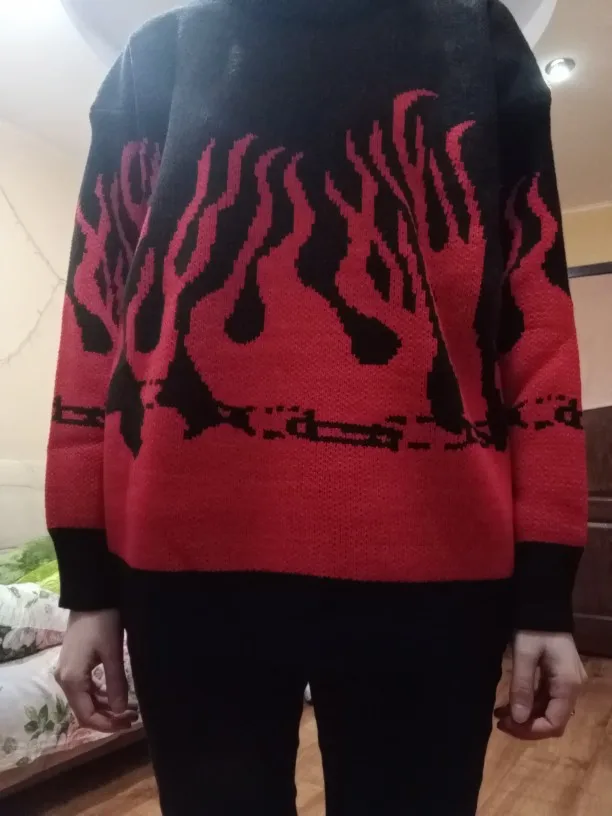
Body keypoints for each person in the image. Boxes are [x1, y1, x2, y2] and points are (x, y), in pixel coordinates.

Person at [47, 1, 588, 813]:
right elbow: (97, 319)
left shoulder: (475, 36)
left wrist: (545, 593)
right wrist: (86, 582)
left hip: (434, 564)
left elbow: (535, 320)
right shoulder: (154, 58)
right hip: (181, 568)